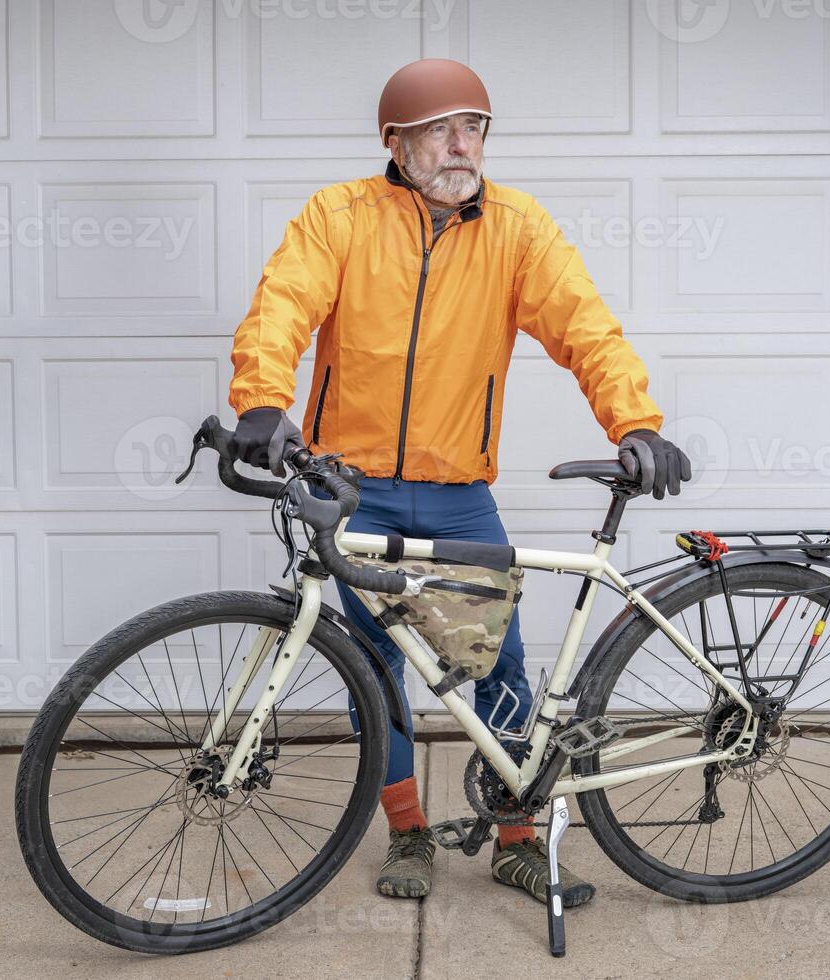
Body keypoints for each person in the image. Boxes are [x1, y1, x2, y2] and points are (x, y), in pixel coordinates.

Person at [226, 59, 691, 908]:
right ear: (394, 143)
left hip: (454, 488)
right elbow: (281, 305)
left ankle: (516, 836)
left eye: (472, 126)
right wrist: (261, 399)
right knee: (376, 670)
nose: (459, 145)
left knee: (498, 663)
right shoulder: (340, 217)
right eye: (439, 128)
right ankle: (407, 835)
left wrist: (634, 421)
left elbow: (585, 326)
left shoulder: (516, 228)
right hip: (353, 487)